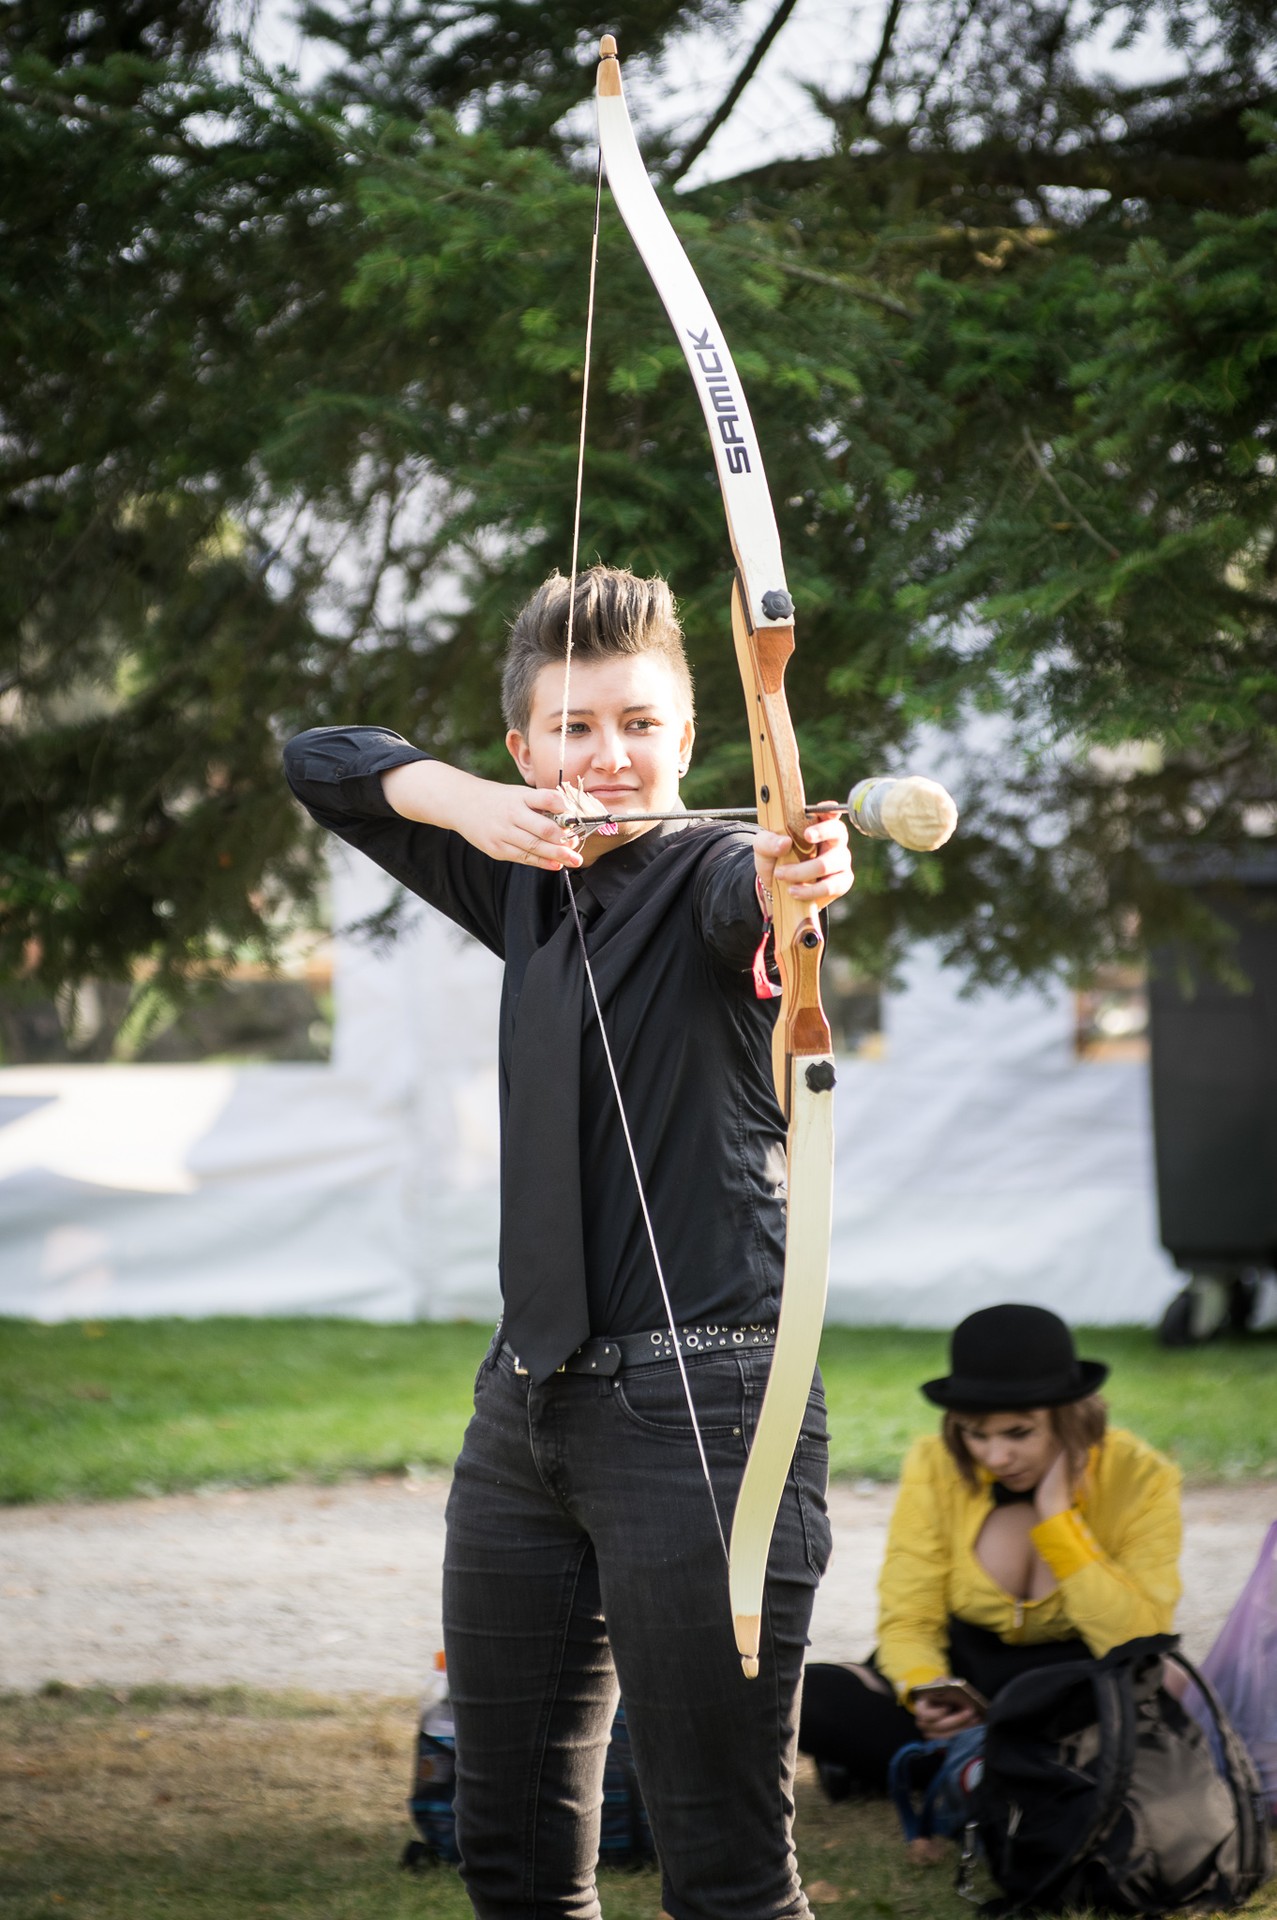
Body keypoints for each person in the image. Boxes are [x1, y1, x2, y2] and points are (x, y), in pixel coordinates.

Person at [283, 564, 854, 1920]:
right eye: (573, 727)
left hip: (707, 1415)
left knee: (726, 1877)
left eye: (639, 725)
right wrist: (465, 803)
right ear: (524, 747)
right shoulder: (519, 877)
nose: (607, 756)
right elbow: (321, 762)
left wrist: (799, 877)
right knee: (514, 1862)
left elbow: (769, 890)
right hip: (523, 1408)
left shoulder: (714, 871)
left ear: (691, 739)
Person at [799, 1303, 1183, 1800]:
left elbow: (1139, 1640)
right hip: (963, 1672)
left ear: (1071, 1419)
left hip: (1072, 1686)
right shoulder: (935, 1464)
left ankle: (936, 1768)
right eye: (975, 1433)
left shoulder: (1142, 1476)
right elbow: (909, 1617)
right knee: (803, 1696)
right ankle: (982, 1765)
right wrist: (925, 1689)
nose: (997, 1457)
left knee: (1166, 1684)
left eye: (1018, 1433)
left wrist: (1058, 1519)